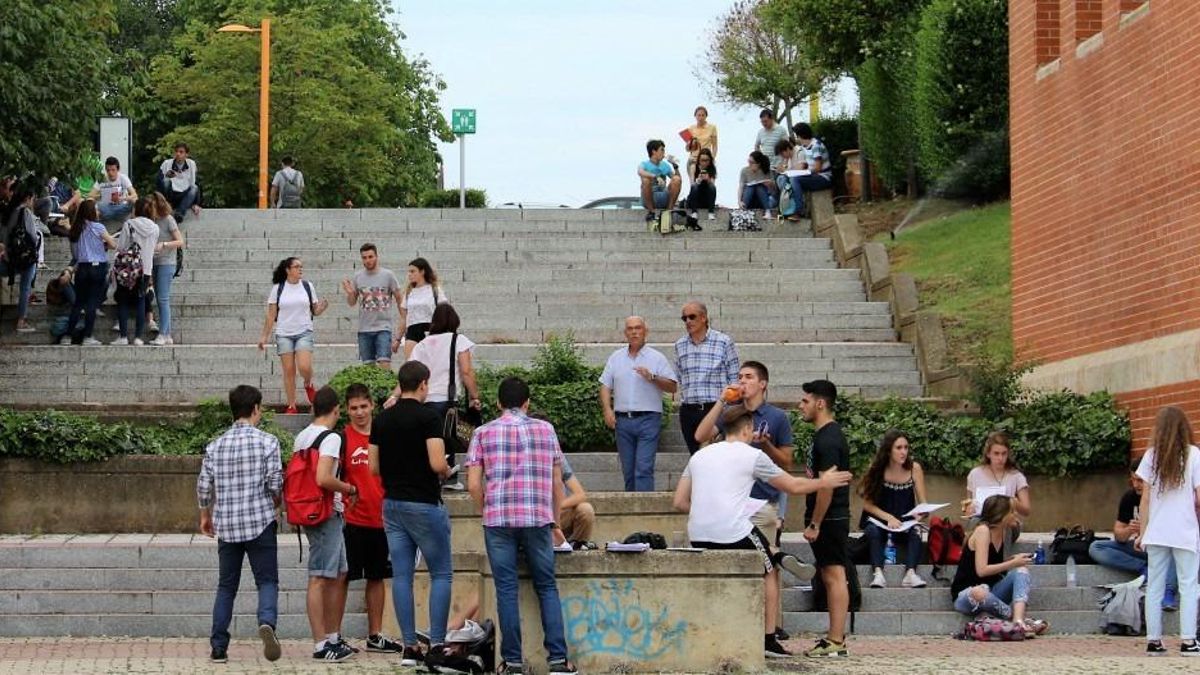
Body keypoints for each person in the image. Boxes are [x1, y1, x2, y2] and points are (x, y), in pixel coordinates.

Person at [674, 404, 851, 658]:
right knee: (769, 570)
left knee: (758, 540)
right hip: (732, 531)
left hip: (699, 534)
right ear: (747, 429)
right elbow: (792, 485)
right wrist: (824, 482)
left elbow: (679, 502)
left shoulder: (699, 456)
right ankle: (768, 639)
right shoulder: (752, 456)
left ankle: (775, 552)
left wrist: (708, 509)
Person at [466, 377, 578, 675]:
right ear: (527, 403)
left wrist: (485, 509)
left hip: (498, 520)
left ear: (499, 403)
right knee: (546, 586)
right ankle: (558, 660)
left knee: (506, 589)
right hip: (537, 519)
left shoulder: (482, 432)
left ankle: (512, 662)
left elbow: (473, 483)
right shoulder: (546, 430)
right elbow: (557, 483)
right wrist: (554, 520)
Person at [693, 361, 796, 640]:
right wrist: (720, 402)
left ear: (763, 383)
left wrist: (766, 445)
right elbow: (700, 436)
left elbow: (788, 461)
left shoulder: (776, 417)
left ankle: (771, 627)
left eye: (748, 377)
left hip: (761, 501)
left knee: (767, 562)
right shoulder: (731, 414)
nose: (742, 381)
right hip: (729, 506)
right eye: (739, 377)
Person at [370, 361, 453, 669]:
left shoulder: (382, 420)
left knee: (402, 576)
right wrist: (446, 468)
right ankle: (437, 645)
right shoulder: (429, 417)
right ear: (422, 385)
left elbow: (373, 467)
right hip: (424, 504)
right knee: (441, 573)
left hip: (392, 505)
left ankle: (409, 647)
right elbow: (435, 463)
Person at [195, 384, 284, 664]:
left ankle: (219, 647)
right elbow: (275, 482)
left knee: (226, 587)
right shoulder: (268, 442)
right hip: (260, 521)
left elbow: (203, 486)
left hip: (228, 525)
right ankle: (267, 620)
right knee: (267, 580)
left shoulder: (215, 445)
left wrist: (205, 515)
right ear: (256, 409)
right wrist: (276, 502)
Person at [339, 383, 403, 654]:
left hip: (383, 517)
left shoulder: (386, 434)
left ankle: (375, 635)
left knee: (377, 577)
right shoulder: (341, 438)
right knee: (342, 577)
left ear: (372, 406)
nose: (359, 412)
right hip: (353, 519)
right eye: (353, 408)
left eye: (363, 406)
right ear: (346, 410)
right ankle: (334, 634)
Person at [296, 386, 357, 662]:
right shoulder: (330, 438)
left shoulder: (303, 436)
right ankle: (321, 644)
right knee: (320, 576)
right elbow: (323, 478)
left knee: (340, 572)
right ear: (337, 410)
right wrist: (348, 488)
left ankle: (333, 636)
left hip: (312, 511)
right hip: (324, 513)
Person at [1134, 406, 1200, 656]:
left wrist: (1142, 531)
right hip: (1184, 530)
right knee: (1189, 586)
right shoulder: (1193, 455)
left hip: (1157, 531)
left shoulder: (1151, 455)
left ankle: (1153, 640)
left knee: (1155, 586)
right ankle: (1188, 641)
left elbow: (1146, 498)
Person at [798, 379, 852, 658]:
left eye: (805, 401)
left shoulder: (829, 438)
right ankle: (835, 638)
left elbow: (826, 485)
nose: (800, 406)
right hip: (829, 518)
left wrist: (815, 522)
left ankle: (836, 639)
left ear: (820, 403)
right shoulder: (823, 435)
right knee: (832, 574)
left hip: (831, 519)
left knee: (834, 576)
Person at [951, 494, 1049, 638]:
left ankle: (1018, 620)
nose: (1015, 514)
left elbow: (994, 564)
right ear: (1001, 515)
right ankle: (1019, 621)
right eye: (1012, 511)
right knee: (980, 592)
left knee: (1021, 571)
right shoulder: (983, 531)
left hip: (992, 591)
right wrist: (1012, 563)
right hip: (968, 594)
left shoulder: (1003, 531)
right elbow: (982, 570)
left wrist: (1013, 560)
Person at [599, 316, 678, 492]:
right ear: (625, 333)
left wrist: (652, 377)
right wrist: (607, 410)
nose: (634, 332)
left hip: (648, 419)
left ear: (645, 332)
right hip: (623, 421)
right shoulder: (616, 357)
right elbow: (605, 385)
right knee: (628, 471)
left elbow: (673, 387)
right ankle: (632, 511)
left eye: (638, 328)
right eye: (630, 328)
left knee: (643, 468)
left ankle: (644, 513)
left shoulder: (656, 357)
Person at [1089, 459, 1180, 610]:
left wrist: (1148, 527)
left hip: (1162, 547)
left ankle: (1168, 592)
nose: (1136, 484)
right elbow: (1119, 536)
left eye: (1140, 480)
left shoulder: (1163, 497)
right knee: (1096, 547)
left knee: (1174, 550)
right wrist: (1129, 530)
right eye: (1133, 480)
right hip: (1138, 548)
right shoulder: (1129, 498)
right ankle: (1145, 569)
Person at [257, 257, 330, 414]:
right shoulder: (278, 288)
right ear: (288, 270)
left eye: (301, 267)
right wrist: (264, 336)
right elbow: (271, 315)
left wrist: (322, 308)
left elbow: (315, 311)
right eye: (296, 267)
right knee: (289, 370)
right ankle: (292, 405)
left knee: (304, 366)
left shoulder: (307, 286)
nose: (300, 269)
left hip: (304, 331)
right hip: (284, 333)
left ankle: (308, 383)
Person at [858, 430, 928, 589]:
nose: (904, 452)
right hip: (880, 521)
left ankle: (910, 573)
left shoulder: (914, 468)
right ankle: (878, 573)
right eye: (899, 448)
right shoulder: (876, 468)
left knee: (915, 534)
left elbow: (923, 503)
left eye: (906, 447)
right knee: (873, 532)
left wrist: (921, 514)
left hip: (904, 522)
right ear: (889, 450)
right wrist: (888, 517)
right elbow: (867, 505)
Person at [674, 301, 740, 455]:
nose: (688, 321)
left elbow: (734, 378)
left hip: (715, 409)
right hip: (688, 411)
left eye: (692, 317)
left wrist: (728, 409)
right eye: (684, 319)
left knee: (716, 458)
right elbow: (679, 377)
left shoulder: (723, 341)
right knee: (695, 459)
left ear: (703, 318)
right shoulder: (680, 345)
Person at [962, 431, 1032, 551]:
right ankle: (976, 563)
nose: (1000, 458)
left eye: (1004, 454)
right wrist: (968, 509)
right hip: (981, 519)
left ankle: (1002, 562)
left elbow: (1026, 510)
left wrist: (1013, 502)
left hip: (1007, 520)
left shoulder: (1016, 476)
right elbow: (968, 505)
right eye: (996, 453)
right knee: (976, 523)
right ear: (988, 454)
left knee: (1005, 523)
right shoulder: (975, 474)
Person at [340, 243, 403, 368]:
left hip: (383, 328)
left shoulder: (388, 275)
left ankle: (386, 388)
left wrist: (403, 320)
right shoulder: (358, 276)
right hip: (364, 329)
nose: (367, 260)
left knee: (384, 363)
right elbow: (352, 302)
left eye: (370, 257)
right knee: (368, 367)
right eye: (364, 258)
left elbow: (399, 298)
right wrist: (350, 293)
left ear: (376, 256)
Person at [61, 199, 115, 345]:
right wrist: (103, 244)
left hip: (82, 268)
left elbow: (77, 253)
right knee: (91, 303)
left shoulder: (76, 229)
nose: (98, 212)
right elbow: (113, 244)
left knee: (78, 303)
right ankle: (88, 336)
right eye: (96, 209)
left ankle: (67, 336)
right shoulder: (98, 227)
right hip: (97, 267)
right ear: (91, 212)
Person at [111, 197, 159, 346]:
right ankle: (138, 337)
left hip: (128, 268)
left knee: (123, 300)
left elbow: (122, 247)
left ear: (136, 209)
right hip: (146, 269)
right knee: (140, 301)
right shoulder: (155, 228)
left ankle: (124, 336)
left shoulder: (129, 224)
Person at [1, 182, 43, 332]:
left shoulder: (10, 211)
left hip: (10, 256)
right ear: (28, 198)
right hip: (25, 257)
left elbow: (5, 236)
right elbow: (33, 236)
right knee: (25, 287)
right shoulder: (25, 213)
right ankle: (21, 320)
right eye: (32, 198)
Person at [148, 192, 184, 346]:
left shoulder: (168, 219)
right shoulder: (151, 220)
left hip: (167, 262)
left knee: (163, 298)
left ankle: (163, 333)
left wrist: (164, 245)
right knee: (161, 298)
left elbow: (180, 241)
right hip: (155, 262)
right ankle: (167, 334)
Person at [399, 257, 447, 360]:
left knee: (432, 364)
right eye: (409, 272)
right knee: (411, 364)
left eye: (413, 271)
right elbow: (403, 317)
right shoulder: (408, 293)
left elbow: (445, 312)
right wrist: (398, 339)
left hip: (431, 329)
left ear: (422, 272)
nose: (409, 274)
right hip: (412, 330)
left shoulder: (435, 290)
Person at [789, 123, 834, 215]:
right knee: (790, 178)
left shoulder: (816, 146)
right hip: (814, 176)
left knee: (795, 180)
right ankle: (790, 207)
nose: (796, 138)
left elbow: (817, 168)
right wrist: (791, 171)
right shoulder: (804, 147)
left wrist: (804, 173)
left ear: (800, 135)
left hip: (823, 177)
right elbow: (805, 164)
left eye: (796, 136)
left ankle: (798, 209)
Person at [637, 139, 682, 224]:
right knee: (645, 180)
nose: (664, 153)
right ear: (654, 151)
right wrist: (655, 176)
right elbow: (640, 172)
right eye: (662, 150)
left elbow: (678, 181)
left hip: (664, 195)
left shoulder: (665, 165)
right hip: (650, 197)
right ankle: (651, 212)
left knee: (676, 179)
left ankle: (668, 212)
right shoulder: (644, 164)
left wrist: (675, 167)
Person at [157, 142, 200, 223]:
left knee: (194, 188)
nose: (178, 154)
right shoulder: (167, 163)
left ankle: (179, 214)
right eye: (176, 151)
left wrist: (196, 203)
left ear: (186, 154)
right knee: (166, 181)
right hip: (170, 195)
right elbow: (158, 183)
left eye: (181, 152)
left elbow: (194, 183)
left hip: (183, 196)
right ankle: (167, 205)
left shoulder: (191, 164)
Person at [91, 157, 138, 223]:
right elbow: (91, 195)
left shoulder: (123, 177)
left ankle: (135, 224)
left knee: (135, 200)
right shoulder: (102, 179)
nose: (110, 173)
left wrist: (123, 198)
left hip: (121, 206)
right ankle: (97, 228)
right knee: (90, 203)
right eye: (108, 170)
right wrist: (101, 195)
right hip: (106, 208)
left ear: (118, 169)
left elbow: (134, 194)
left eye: (113, 170)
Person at [738, 151, 776, 219]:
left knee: (759, 187)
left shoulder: (766, 171)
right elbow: (741, 186)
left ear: (758, 164)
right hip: (749, 198)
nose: (749, 164)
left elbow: (774, 192)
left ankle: (768, 211)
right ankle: (743, 210)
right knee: (750, 186)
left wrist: (770, 185)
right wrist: (739, 201)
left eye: (752, 163)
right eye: (748, 161)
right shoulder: (744, 171)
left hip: (763, 199)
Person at [685, 148, 717, 225]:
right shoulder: (694, 167)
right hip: (694, 198)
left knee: (712, 187)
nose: (704, 163)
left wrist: (708, 179)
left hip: (705, 199)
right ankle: (694, 212)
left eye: (707, 160)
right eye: (702, 160)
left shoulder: (711, 169)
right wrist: (698, 180)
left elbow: (712, 185)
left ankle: (711, 212)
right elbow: (692, 184)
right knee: (695, 186)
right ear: (699, 160)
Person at [685, 105, 719, 174]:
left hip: (706, 158)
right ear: (695, 116)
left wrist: (713, 158)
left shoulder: (712, 127)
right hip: (694, 158)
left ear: (706, 116)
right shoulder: (691, 128)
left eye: (703, 115)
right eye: (699, 115)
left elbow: (715, 146)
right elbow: (687, 149)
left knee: (708, 182)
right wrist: (690, 144)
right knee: (694, 183)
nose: (700, 118)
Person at [45, 267, 75, 343]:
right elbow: (74, 302)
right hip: (64, 321)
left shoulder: (53, 285)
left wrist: (67, 271)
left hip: (59, 321)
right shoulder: (64, 286)